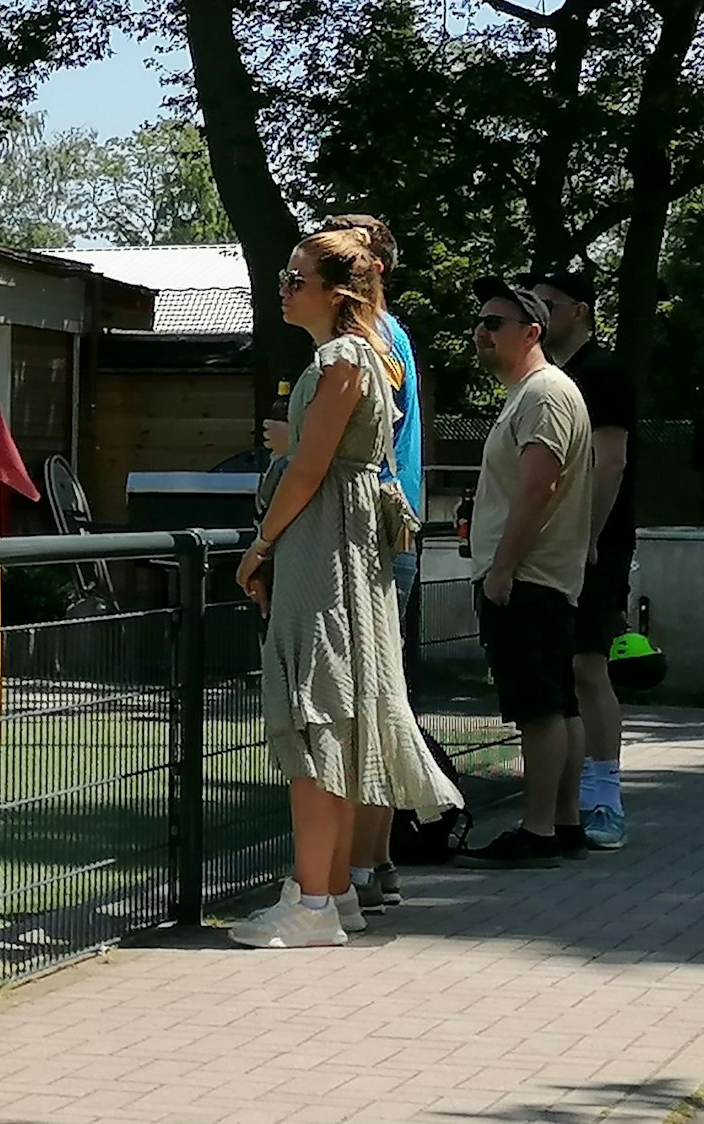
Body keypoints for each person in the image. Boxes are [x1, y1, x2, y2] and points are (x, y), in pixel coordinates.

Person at [230, 228, 463, 949]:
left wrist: (260, 544)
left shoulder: (339, 358)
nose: (283, 288)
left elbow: (307, 468)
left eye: (295, 279)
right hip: (344, 548)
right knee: (330, 714)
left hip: (323, 550)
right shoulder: (362, 355)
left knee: (312, 716)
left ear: (337, 293)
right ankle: (328, 894)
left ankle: (313, 903)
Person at [454, 277, 595, 869]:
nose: (481, 333)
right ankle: (563, 824)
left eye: (495, 324)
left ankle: (537, 830)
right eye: (480, 322)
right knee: (560, 705)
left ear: (532, 332)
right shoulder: (536, 392)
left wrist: (501, 570)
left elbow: (539, 487)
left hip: (528, 576)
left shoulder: (542, 394)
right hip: (545, 576)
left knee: (538, 709)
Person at [319, 215, 423, 914]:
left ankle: (351, 872)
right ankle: (375, 864)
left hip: (362, 538)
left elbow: (338, 443)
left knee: (355, 705)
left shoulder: (357, 344)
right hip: (394, 529)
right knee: (383, 698)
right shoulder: (398, 337)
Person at [523, 270, 635, 851]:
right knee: (561, 669)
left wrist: (587, 536)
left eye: (549, 303)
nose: (538, 312)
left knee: (590, 666)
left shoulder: (603, 374)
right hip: (556, 546)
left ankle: (604, 798)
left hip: (597, 543)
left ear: (580, 311)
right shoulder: (551, 379)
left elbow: (610, 461)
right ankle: (562, 807)